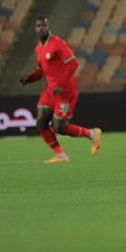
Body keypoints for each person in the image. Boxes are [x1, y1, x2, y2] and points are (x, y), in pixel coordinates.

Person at [19, 17, 102, 163]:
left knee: (59, 127)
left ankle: (92, 134)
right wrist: (29, 78)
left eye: (43, 25)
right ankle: (60, 155)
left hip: (65, 92)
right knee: (41, 122)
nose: (41, 28)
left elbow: (73, 63)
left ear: (48, 26)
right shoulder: (39, 48)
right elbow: (41, 69)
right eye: (38, 26)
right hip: (51, 91)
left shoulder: (57, 43)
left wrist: (61, 84)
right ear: (35, 29)